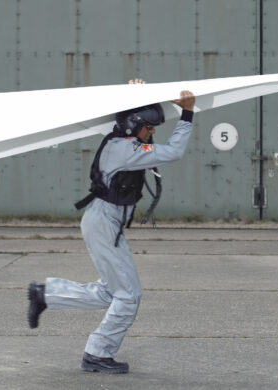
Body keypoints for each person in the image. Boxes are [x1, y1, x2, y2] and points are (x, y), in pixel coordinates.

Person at [27, 79, 195, 374]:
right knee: (128, 296)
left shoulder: (124, 141)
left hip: (105, 221)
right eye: (149, 126)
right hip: (104, 222)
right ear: (133, 126)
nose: (153, 131)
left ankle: (46, 294)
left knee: (110, 293)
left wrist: (138, 92)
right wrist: (188, 115)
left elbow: (144, 138)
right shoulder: (124, 149)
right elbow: (173, 152)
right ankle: (97, 353)